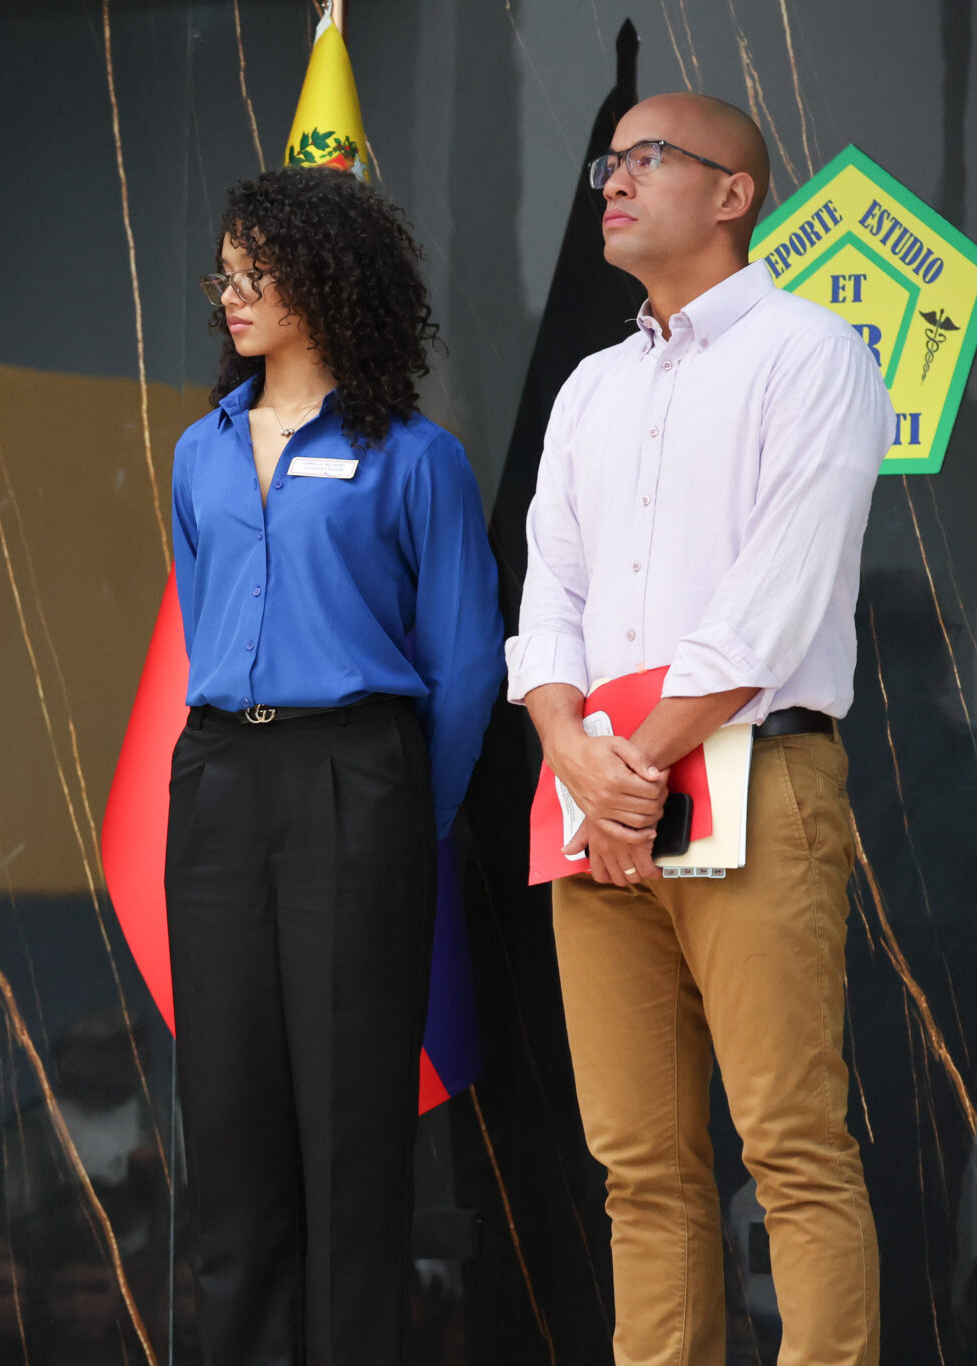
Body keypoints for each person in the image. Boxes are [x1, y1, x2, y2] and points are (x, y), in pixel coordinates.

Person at [511, 92, 886, 1363]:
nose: (611, 181)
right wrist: (573, 751)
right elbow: (546, 598)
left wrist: (631, 759)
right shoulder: (589, 385)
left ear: (732, 194)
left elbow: (772, 600)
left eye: (646, 159)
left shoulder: (809, 352)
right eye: (605, 163)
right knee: (638, 1164)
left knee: (790, 1147)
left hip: (749, 767)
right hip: (593, 792)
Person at [165, 166, 505, 1366]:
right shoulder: (198, 451)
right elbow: (204, 622)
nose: (231, 293)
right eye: (224, 272)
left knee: (350, 1127)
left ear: (328, 279)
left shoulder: (414, 457)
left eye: (256, 271)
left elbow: (464, 664)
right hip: (218, 776)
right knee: (227, 1112)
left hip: (358, 778)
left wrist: (402, 812)